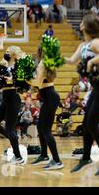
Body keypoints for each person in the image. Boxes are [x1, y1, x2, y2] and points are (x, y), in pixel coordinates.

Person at [67, 13, 99, 176]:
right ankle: (86, 157)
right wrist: (52, 59)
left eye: (82, 22)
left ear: (87, 25)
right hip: (96, 88)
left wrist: (91, 62)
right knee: (86, 122)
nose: (80, 24)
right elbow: (71, 60)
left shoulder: (96, 42)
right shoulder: (83, 45)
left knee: (92, 123)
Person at [28, 38, 64, 170]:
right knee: (40, 127)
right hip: (49, 97)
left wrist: (24, 78)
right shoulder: (47, 62)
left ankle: (57, 160)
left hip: (50, 97)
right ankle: (43, 155)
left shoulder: (43, 63)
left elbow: (37, 83)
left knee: (46, 130)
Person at [0, 46, 27, 165]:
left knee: (10, 129)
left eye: (7, 52)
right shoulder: (5, 66)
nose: (5, 54)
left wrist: (8, 78)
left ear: (13, 55)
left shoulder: (18, 67)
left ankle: (18, 157)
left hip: (13, 98)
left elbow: (19, 82)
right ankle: (13, 138)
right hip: (5, 99)